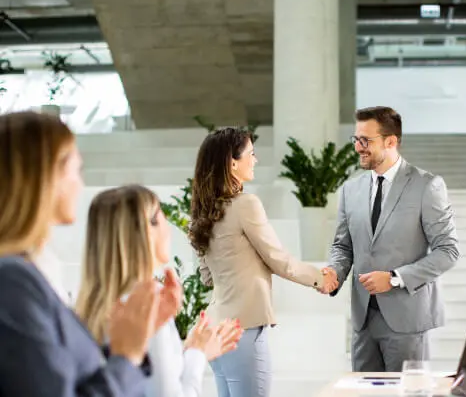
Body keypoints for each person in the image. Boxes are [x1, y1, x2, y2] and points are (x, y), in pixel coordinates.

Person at [0, 111, 179, 396]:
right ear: (45, 175)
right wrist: (127, 355)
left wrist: (134, 340)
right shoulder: (13, 281)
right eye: (75, 169)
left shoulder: (31, 274)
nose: (80, 183)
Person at [188, 127, 338, 397]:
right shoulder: (245, 204)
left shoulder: (203, 212)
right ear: (232, 163)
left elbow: (207, 277)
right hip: (243, 330)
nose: (255, 160)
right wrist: (321, 278)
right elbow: (280, 260)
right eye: (251, 154)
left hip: (216, 329)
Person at [322, 106, 460, 372]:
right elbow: (343, 246)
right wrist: (334, 273)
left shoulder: (427, 186)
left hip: (406, 318)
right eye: (356, 139)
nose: (358, 147)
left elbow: (448, 251)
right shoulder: (351, 190)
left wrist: (395, 277)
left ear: (391, 141)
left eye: (366, 140)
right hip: (363, 319)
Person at [75, 184, 244, 397]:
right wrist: (197, 354)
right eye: (160, 215)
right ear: (147, 230)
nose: (168, 225)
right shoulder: (146, 305)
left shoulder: (90, 308)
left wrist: (188, 351)